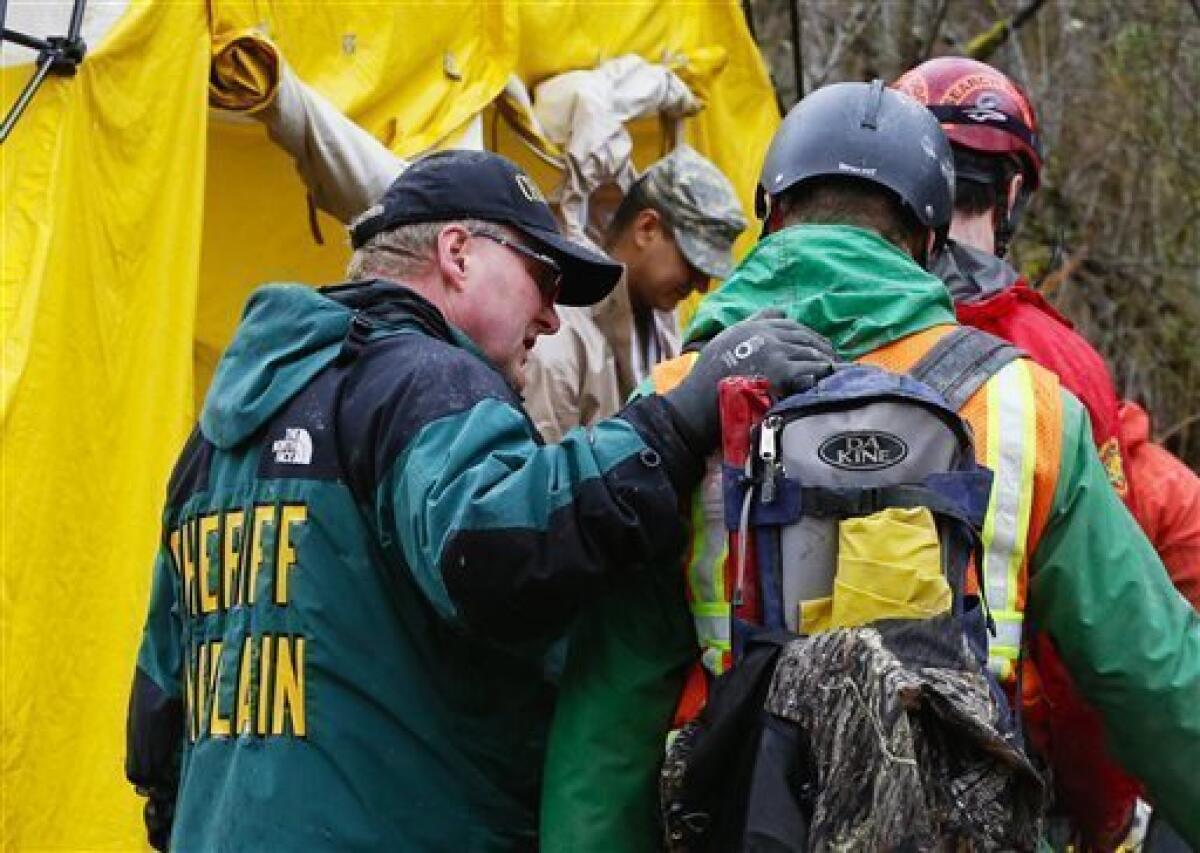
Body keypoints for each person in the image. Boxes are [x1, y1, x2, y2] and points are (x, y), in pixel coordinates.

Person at [540, 82, 1200, 851]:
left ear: (773, 216)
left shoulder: (677, 402)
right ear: (927, 239)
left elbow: (608, 717)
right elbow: (1152, 671)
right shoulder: (1026, 406)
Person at [122, 150, 837, 851]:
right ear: (459, 253)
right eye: (542, 277)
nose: (554, 318)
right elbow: (498, 551)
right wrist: (677, 419)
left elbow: (158, 714)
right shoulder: (421, 380)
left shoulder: (213, 441)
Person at [894, 55, 1200, 847]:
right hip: (994, 784)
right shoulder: (1055, 365)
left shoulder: (769, 331)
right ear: (1015, 194)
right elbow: (1097, 650)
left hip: (780, 780)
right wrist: (1100, 817)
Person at [524, 144, 747, 441]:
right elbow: (546, 477)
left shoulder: (662, 323)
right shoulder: (557, 338)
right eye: (693, 263)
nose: (701, 285)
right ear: (646, 228)